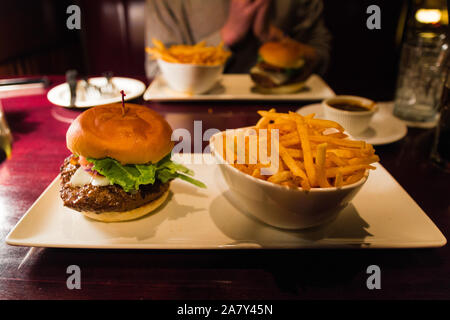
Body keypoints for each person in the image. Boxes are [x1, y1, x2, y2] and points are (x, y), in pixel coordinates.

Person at [144, 0, 331, 78]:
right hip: (193, 118)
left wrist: (273, 37)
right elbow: (156, 70)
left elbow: (322, 57)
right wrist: (226, 36)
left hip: (291, 108)